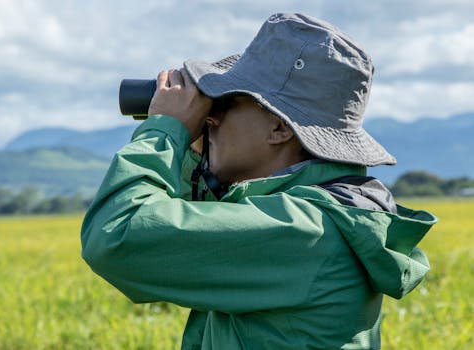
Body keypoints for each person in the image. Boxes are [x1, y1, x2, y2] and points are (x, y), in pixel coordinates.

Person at [81, 13, 437, 349]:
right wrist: (198, 149)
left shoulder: (304, 231)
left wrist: (165, 130)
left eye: (223, 104)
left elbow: (118, 235)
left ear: (280, 127)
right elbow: (194, 215)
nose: (209, 118)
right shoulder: (312, 216)